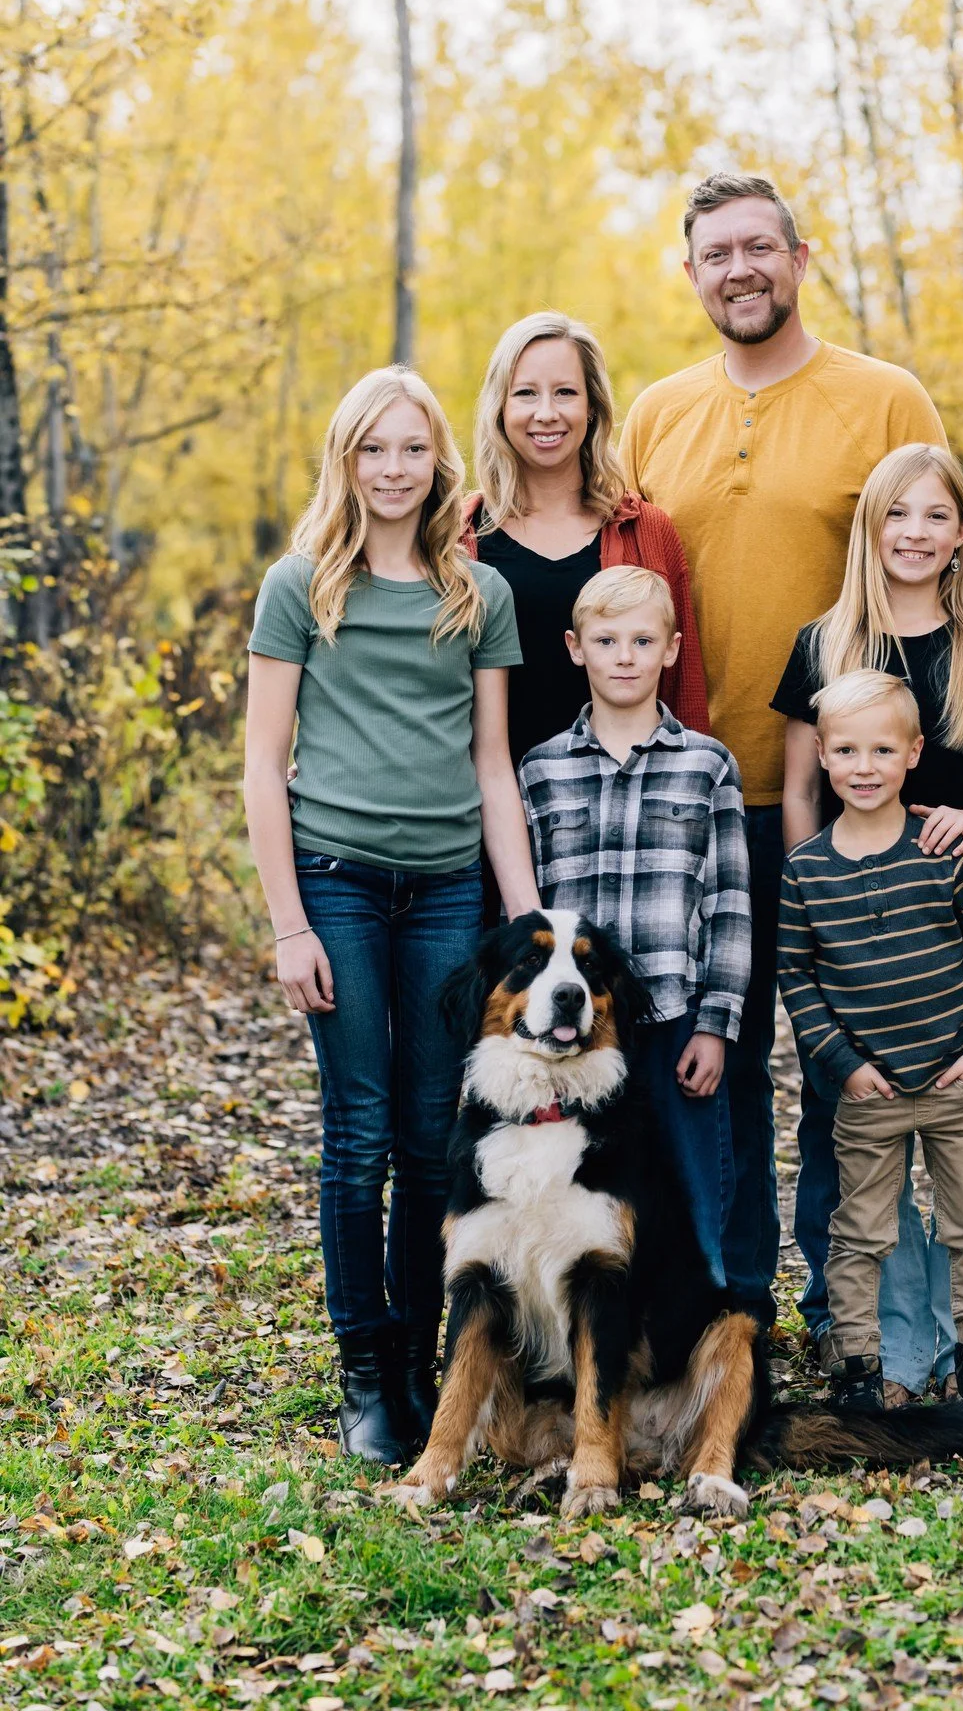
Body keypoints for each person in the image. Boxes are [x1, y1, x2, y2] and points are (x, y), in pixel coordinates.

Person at [619, 171, 945, 1329]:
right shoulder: (654, 413)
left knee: (850, 1064)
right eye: (718, 253)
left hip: (841, 802)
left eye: (761, 246)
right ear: (694, 271)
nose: (741, 269)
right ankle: (731, 1301)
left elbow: (937, 590)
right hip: (687, 805)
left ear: (802, 257)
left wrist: (917, 797)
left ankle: (852, 1308)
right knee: (715, 1061)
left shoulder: (885, 396)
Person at [243, 368, 538, 1467]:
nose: (395, 469)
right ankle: (365, 1371)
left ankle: (423, 1363)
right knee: (357, 1134)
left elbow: (493, 767)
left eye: (413, 449)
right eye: (375, 449)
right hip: (339, 883)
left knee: (429, 1138)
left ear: (439, 461)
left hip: (448, 890)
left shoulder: (478, 595)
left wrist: (523, 920)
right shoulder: (299, 586)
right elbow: (264, 765)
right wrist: (289, 922)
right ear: (346, 458)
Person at [773, 442, 963, 1396]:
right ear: (870, 527)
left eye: (935, 516)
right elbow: (793, 795)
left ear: (961, 533)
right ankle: (884, 1347)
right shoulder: (824, 643)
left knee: (952, 1146)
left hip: (942, 918)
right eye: (897, 514)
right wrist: (809, 897)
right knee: (859, 1145)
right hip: (850, 926)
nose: (914, 533)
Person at [776, 670, 963, 1418]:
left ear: (912, 754)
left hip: (954, 1082)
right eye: (846, 750)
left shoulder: (943, 850)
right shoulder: (805, 870)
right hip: (868, 1091)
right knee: (859, 1232)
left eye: (881, 750)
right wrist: (843, 1066)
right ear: (820, 755)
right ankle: (859, 1366)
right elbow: (797, 977)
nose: (863, 767)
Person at [517, 565, 750, 1289]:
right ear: (574, 647)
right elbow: (526, 917)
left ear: (671, 650)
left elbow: (731, 905)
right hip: (573, 1035)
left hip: (674, 1019)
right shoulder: (541, 770)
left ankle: (703, 1325)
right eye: (606, 639)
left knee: (689, 1187)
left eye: (642, 639)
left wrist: (716, 1024)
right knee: (580, 1193)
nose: (624, 655)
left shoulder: (706, 766)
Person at [460, 310, 708, 776]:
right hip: (479, 818)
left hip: (618, 822)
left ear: (592, 407)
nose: (546, 413)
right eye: (526, 393)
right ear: (500, 407)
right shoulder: (455, 536)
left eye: (566, 393)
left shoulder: (646, 532)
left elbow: (682, 687)